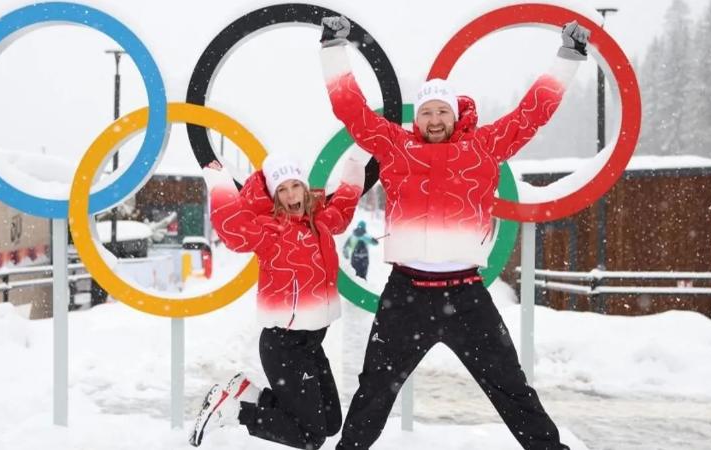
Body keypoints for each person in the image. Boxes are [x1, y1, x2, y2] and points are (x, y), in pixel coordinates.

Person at [318, 16, 590, 450]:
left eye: (442, 110)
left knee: (511, 389)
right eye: (427, 111)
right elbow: (352, 111)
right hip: (405, 293)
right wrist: (334, 47)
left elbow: (530, 115)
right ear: (417, 119)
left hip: (466, 296)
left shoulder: (482, 148)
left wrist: (567, 58)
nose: (435, 118)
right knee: (372, 392)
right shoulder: (395, 147)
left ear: (456, 113)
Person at [189, 154, 365, 450]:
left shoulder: (319, 222)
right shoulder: (269, 231)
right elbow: (233, 231)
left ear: (305, 188)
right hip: (284, 344)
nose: (291, 194)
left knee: (332, 423)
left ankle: (247, 394)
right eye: (281, 189)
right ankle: (232, 411)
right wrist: (219, 183)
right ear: (273, 196)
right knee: (312, 436)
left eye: (295, 185)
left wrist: (356, 166)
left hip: (311, 343)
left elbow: (342, 210)